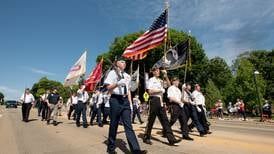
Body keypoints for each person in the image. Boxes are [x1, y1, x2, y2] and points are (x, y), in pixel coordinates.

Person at [104, 58, 147, 154]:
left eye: (125, 62)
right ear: (116, 63)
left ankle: (136, 150)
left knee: (128, 125)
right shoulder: (112, 73)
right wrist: (117, 83)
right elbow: (108, 87)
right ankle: (110, 148)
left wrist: (130, 104)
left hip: (125, 101)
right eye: (122, 61)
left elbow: (128, 91)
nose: (124, 63)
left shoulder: (127, 76)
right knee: (114, 124)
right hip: (115, 99)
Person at [143, 67, 181, 146]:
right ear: (153, 72)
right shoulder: (151, 80)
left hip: (160, 101)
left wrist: (166, 75)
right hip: (154, 100)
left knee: (165, 120)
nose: (158, 72)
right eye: (156, 71)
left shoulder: (160, 80)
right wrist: (160, 90)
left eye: (159, 71)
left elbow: (169, 85)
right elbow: (149, 91)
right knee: (151, 120)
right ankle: (146, 137)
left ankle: (171, 139)